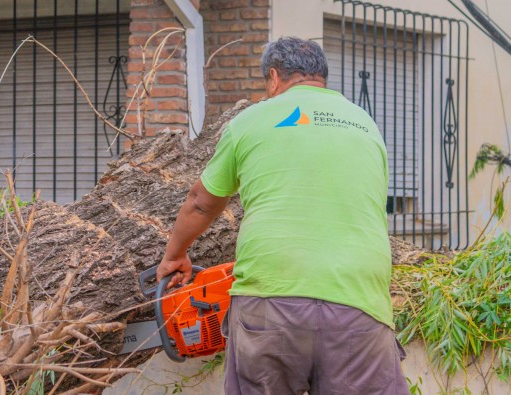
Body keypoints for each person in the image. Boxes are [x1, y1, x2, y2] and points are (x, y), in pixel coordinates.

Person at [156, 37, 409, 394]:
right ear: (322, 77)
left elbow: (200, 203)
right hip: (359, 299)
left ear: (273, 77)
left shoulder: (251, 120)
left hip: (270, 299)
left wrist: (175, 255)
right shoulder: (365, 124)